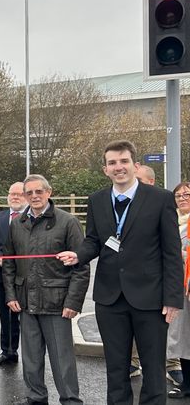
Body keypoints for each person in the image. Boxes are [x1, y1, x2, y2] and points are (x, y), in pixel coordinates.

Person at [57, 140, 183, 404]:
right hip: (109, 298)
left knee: (153, 370)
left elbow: (172, 253)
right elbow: (93, 240)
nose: (118, 167)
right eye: (112, 163)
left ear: (135, 166)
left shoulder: (160, 199)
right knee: (116, 370)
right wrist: (78, 254)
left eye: (124, 161)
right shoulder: (97, 200)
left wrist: (173, 298)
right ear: (105, 169)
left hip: (151, 300)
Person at [2, 174, 89, 405]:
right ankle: (36, 398)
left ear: (49, 192)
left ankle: (70, 400)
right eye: (29, 193)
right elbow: (9, 262)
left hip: (57, 303)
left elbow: (81, 266)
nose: (34, 196)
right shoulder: (17, 223)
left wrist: (73, 302)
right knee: (31, 359)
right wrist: (10, 294)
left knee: (62, 360)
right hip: (25, 302)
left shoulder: (68, 222)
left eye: (38, 191)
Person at [132, 165, 184, 383]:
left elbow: (171, 251)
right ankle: (134, 361)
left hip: (171, 282)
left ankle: (172, 364)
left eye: (140, 181)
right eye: (179, 195)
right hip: (139, 281)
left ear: (151, 182)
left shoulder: (162, 205)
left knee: (173, 327)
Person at [0, 182, 24, 366]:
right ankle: (7, 351)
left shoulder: (31, 217)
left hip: (24, 277)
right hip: (1, 275)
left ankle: (24, 352)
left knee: (23, 317)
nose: (15, 197)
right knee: (5, 315)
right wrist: (0, 257)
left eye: (19, 194)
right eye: (12, 194)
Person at [167, 181, 190, 398]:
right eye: (178, 196)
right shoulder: (172, 221)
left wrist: (181, 255)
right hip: (180, 286)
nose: (182, 198)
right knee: (183, 337)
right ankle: (186, 383)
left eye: (187, 194)